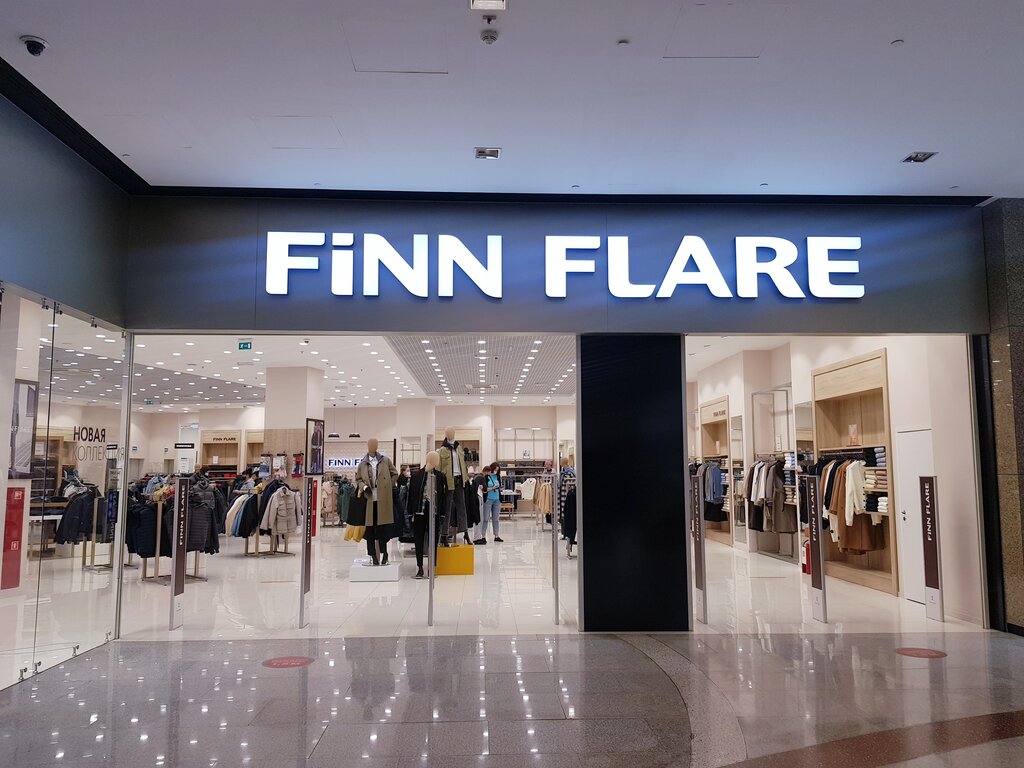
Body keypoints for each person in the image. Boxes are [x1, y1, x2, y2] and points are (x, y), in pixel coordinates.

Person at [476, 462, 503, 543]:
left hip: (497, 499)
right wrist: (492, 488)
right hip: (488, 499)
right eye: (495, 470)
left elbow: (499, 486)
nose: (495, 471)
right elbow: (483, 489)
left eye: (497, 470)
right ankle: (483, 536)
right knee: (485, 518)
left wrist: (499, 488)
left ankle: (496, 535)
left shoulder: (498, 477)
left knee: (496, 518)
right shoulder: (486, 477)